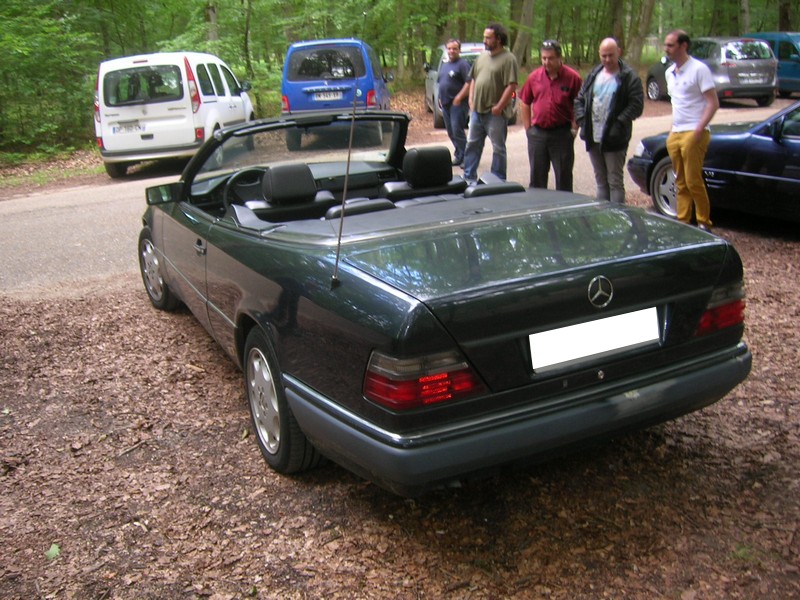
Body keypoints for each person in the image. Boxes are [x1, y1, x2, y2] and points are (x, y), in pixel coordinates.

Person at [574, 38, 643, 203]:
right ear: (599, 54)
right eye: (603, 55)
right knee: (600, 180)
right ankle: (602, 216)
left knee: (614, 181)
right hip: (593, 135)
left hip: (615, 137)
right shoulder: (594, 74)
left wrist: (618, 124)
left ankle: (618, 218)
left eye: (610, 55)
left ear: (618, 52)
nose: (607, 59)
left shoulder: (629, 77)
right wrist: (583, 120)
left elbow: (636, 105)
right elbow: (580, 99)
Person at [663, 29, 719, 230]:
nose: (666, 49)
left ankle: (704, 222)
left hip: (695, 132)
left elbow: (713, 103)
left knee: (694, 180)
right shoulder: (669, 72)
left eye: (670, 45)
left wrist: (698, 130)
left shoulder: (699, 69)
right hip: (676, 133)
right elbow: (677, 103)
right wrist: (672, 131)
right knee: (680, 181)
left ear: (683, 45)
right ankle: (684, 222)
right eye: (666, 45)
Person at [519, 39, 582, 191]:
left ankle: (564, 211)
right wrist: (529, 129)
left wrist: (574, 129)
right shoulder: (534, 77)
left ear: (560, 58)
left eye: (551, 58)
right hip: (538, 133)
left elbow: (580, 105)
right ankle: (538, 211)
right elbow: (524, 102)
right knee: (537, 178)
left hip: (562, 133)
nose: (546, 62)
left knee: (564, 177)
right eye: (544, 58)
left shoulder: (573, 78)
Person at [462, 23, 519, 182]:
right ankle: (468, 177)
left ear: (498, 39)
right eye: (484, 37)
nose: (484, 40)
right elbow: (473, 78)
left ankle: (497, 179)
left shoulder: (509, 59)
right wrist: (471, 100)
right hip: (477, 112)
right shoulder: (481, 57)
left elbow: (512, 85)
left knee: (498, 148)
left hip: (495, 114)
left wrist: (500, 106)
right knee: (472, 144)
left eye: (488, 37)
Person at [437, 39, 472, 166]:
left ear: (459, 50)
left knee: (457, 130)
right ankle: (459, 154)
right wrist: (440, 98)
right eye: (449, 49)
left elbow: (469, 83)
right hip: (446, 103)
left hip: (458, 103)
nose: (451, 51)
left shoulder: (462, 65)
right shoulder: (445, 65)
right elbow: (441, 82)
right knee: (451, 131)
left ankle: (467, 158)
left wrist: (459, 97)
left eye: (454, 49)